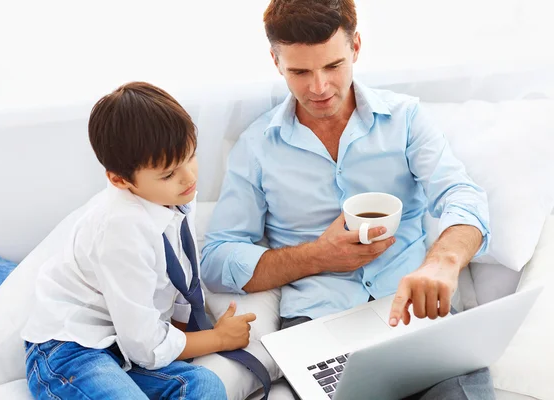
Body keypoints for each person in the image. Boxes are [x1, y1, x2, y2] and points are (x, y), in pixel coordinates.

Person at [201, 1, 494, 398]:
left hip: (414, 314)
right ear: (275, 61)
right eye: (300, 71)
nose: (319, 87)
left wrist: (442, 263)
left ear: (355, 47)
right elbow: (217, 258)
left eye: (333, 66)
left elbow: (462, 194)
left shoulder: (405, 119)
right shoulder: (256, 147)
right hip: (319, 325)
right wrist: (317, 256)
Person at [20, 82, 258, 400]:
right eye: (168, 173)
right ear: (120, 180)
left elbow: (181, 276)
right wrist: (218, 339)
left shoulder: (176, 197)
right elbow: (145, 345)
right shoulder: (121, 229)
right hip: (72, 348)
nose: (189, 177)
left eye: (191, 157)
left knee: (205, 385)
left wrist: (187, 336)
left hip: (124, 346)